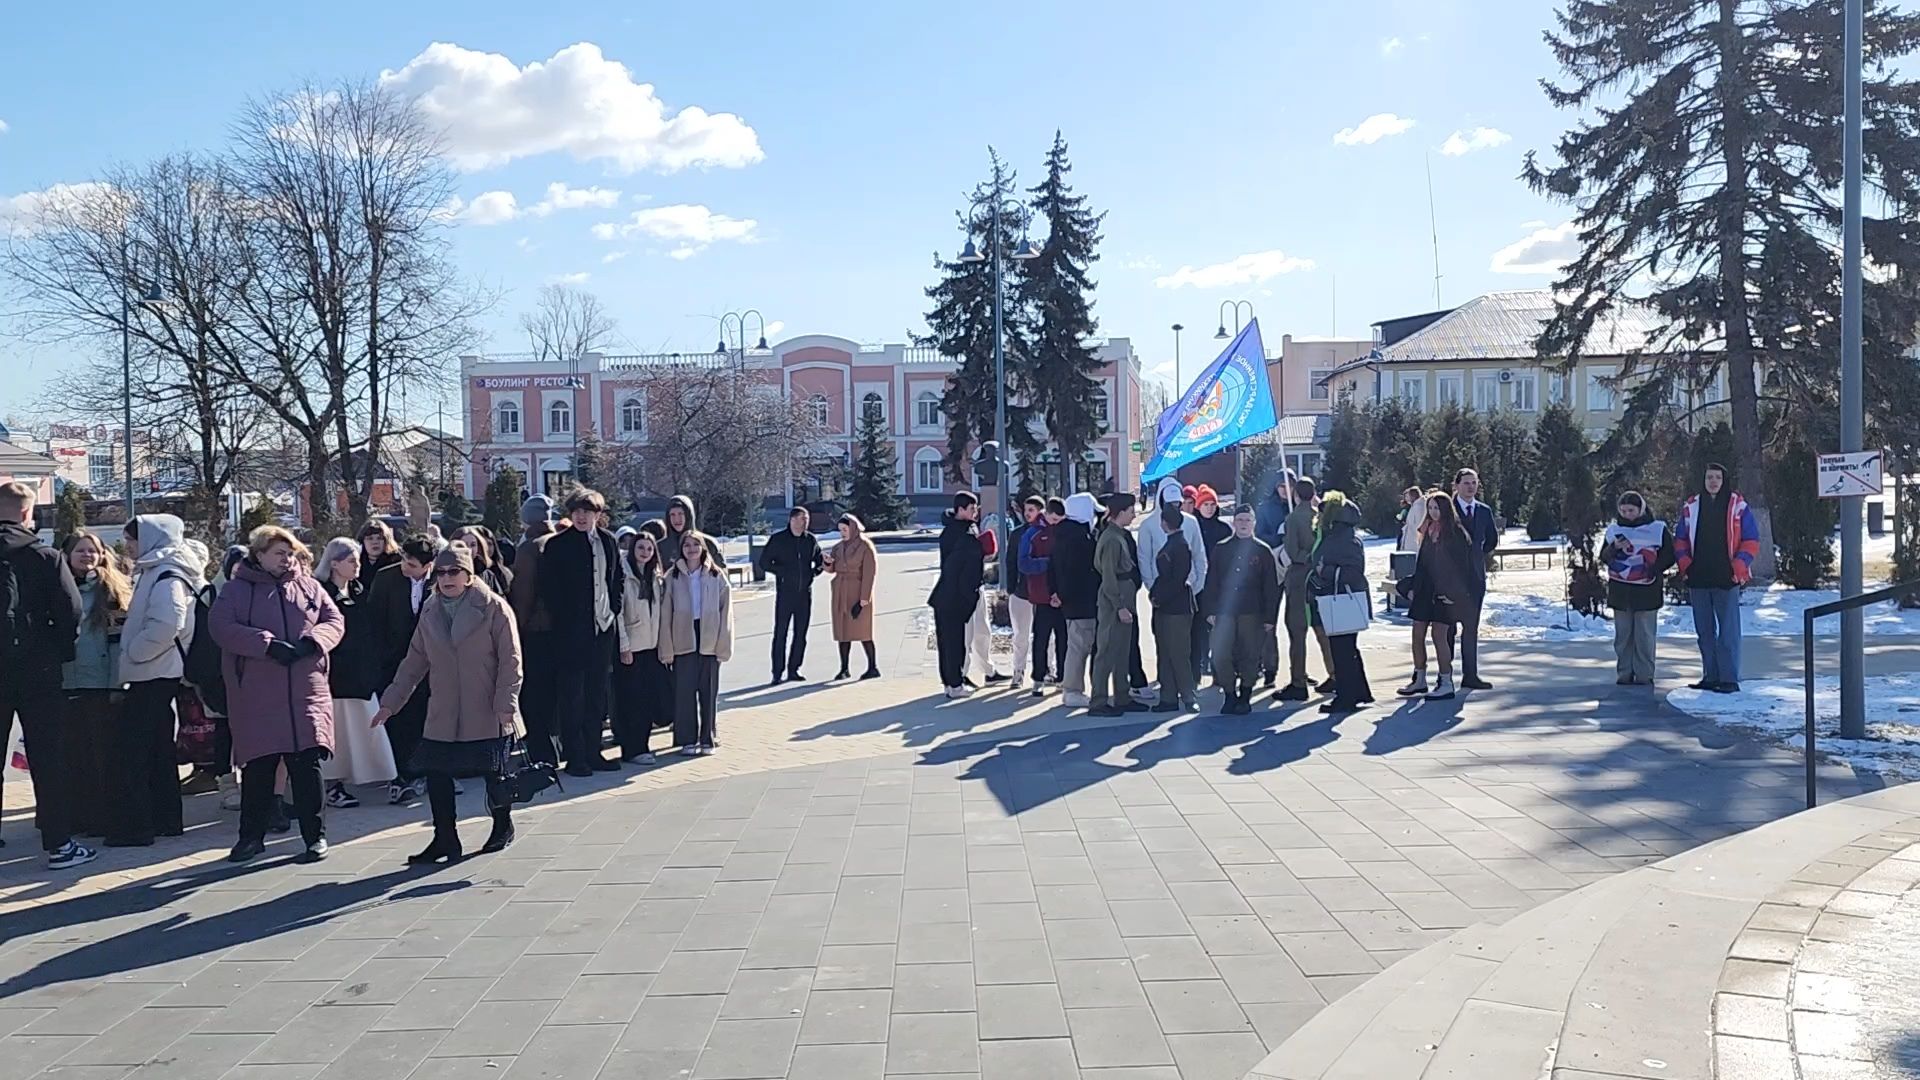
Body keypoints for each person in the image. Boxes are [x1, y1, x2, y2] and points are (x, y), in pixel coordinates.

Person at [373, 545, 523, 863]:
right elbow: (414, 661)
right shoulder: (430, 610)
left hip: (487, 705)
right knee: (437, 773)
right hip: (444, 708)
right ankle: (445, 838)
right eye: (440, 573)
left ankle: (502, 825)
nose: (446, 578)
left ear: (469, 575)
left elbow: (511, 660)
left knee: (493, 771)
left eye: (454, 572)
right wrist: (391, 702)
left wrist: (506, 701)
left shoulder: (494, 608)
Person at [210, 526, 343, 863]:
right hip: (258, 692)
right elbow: (221, 627)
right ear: (259, 555)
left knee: (307, 766)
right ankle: (251, 838)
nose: (286, 559)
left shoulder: (309, 585)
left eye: (290, 553)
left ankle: (315, 837)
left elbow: (334, 620)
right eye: (278, 553)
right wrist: (266, 645)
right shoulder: (237, 590)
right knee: (259, 768)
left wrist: (313, 642)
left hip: (305, 689)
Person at [0, 483, 92, 867]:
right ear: (27, 512)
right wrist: (56, 651)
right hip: (38, 667)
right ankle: (59, 844)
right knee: (47, 757)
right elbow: (71, 612)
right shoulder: (45, 556)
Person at [112, 514, 207, 848]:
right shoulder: (164, 569)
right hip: (159, 670)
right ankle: (167, 820)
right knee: (157, 749)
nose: (128, 547)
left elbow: (168, 623)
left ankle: (138, 826)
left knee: (137, 751)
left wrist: (136, 651)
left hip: (154, 670)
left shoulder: (166, 574)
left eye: (132, 540)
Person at [541, 489, 625, 776]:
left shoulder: (609, 542)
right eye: (576, 511)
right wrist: (565, 619)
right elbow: (548, 587)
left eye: (587, 511)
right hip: (570, 634)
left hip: (602, 630)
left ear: (598, 515)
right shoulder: (558, 545)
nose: (580, 516)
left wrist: (613, 609)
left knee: (596, 695)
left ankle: (594, 752)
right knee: (572, 697)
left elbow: (617, 579)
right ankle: (575, 757)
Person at [318, 538, 397, 807]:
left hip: (362, 676)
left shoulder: (360, 591)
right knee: (337, 732)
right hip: (336, 678)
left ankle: (373, 777)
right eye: (351, 560)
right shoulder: (322, 593)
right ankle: (333, 786)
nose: (357, 565)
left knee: (366, 728)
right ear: (334, 563)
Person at [59, 530, 128, 840]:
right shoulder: (57, 587)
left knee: (99, 754)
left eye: (94, 551)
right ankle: (74, 816)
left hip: (99, 684)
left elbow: (117, 643)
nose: (88, 556)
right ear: (67, 555)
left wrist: (116, 684)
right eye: (81, 551)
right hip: (65, 683)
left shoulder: (111, 591)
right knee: (71, 755)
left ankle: (100, 817)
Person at [369, 533, 444, 802]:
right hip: (395, 663)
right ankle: (402, 772)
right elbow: (375, 621)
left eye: (412, 564)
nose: (405, 567)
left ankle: (428, 769)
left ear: (428, 565)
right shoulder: (386, 578)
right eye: (404, 560)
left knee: (428, 717)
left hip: (433, 663)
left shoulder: (441, 579)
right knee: (399, 718)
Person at [1675, 464, 1759, 693]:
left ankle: (1729, 679)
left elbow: (1751, 540)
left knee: (1728, 631)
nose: (1713, 481)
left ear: (1725, 480)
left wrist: (1738, 566)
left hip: (1727, 577)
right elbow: (1680, 540)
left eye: (1717, 477)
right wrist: (1685, 565)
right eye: (1709, 477)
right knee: (1704, 631)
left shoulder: (1737, 505)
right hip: (1698, 577)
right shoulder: (1691, 506)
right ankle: (1710, 676)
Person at [1202, 505, 1282, 714]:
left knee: (1251, 654)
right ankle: (1229, 694)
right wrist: (1209, 610)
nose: (1244, 524)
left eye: (1248, 520)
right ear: (1234, 523)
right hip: (1224, 611)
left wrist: (1269, 617)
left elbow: (1270, 587)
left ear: (1254, 523)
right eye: (1240, 520)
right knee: (1220, 653)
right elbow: (1212, 581)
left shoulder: (1262, 551)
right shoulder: (1222, 548)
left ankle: (1245, 694)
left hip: (1252, 611)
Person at [660, 529, 733, 754]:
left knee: (708, 690)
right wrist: (667, 647)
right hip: (683, 635)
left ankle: (708, 737)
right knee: (684, 691)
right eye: (686, 545)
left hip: (709, 634)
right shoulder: (672, 576)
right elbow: (666, 613)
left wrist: (724, 643)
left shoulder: (715, 574)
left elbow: (726, 610)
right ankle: (687, 739)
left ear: (702, 548)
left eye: (695, 545)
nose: (691, 549)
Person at [1401, 492, 1475, 700]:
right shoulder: (1428, 530)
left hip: (1445, 593)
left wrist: (1454, 594)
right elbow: (1423, 564)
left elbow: (1461, 568)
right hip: (1425, 590)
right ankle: (1419, 678)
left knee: (1439, 636)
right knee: (1417, 634)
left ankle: (1446, 681)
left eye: (1437, 508)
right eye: (1430, 508)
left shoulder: (1456, 534)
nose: (1433, 512)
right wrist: (1414, 586)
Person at [1136, 478, 1210, 686]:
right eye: (1169, 504)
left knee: (1191, 639)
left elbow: (1199, 556)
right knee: (1164, 639)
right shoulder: (1148, 525)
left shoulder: (1191, 522)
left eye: (1177, 504)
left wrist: (1197, 585)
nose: (1174, 507)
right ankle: (1167, 680)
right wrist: (1153, 590)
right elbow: (1145, 559)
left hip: (1188, 593)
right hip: (1162, 594)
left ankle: (1191, 680)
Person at [1604, 491, 1677, 687]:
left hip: (1646, 591)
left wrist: (1654, 569)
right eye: (1624, 510)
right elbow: (1604, 557)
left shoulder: (1657, 529)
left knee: (1644, 635)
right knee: (1623, 636)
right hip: (1620, 591)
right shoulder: (1613, 530)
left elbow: (1670, 555)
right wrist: (1613, 548)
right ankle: (1624, 672)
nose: (1627, 514)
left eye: (1631, 510)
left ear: (1641, 509)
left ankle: (1645, 673)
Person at [508, 496, 560, 767]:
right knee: (554, 694)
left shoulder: (530, 548)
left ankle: (541, 753)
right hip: (561, 630)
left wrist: (516, 628)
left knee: (535, 694)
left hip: (536, 630)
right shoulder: (559, 541)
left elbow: (524, 594)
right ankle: (556, 747)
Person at [1311, 491, 1374, 714]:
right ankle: (1359, 691)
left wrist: (1325, 571)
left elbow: (1354, 572)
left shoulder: (1345, 538)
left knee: (1342, 650)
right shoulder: (1339, 534)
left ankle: (1346, 697)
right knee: (1347, 648)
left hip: (1342, 600)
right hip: (1338, 598)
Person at [614, 532, 667, 763]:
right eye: (641, 548)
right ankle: (633, 748)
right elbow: (619, 614)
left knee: (648, 699)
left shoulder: (655, 577)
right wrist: (624, 646)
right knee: (631, 701)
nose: (645, 552)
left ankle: (642, 745)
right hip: (631, 648)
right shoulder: (624, 576)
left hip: (651, 647)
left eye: (649, 548)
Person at [1089, 493, 1142, 717]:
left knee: (1122, 649)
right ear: (1120, 512)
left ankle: (1123, 695)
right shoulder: (1111, 539)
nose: (1134, 515)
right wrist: (1119, 606)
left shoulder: (1119, 534)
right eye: (1131, 511)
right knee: (1107, 649)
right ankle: (1098, 701)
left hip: (1124, 595)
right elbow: (1109, 576)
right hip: (1115, 598)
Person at [929, 493, 985, 698]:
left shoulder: (954, 530)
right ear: (960, 510)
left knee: (948, 642)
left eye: (976, 508)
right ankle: (955, 685)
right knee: (953, 643)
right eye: (972, 509)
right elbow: (963, 570)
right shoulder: (964, 535)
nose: (975, 512)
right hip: (953, 596)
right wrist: (969, 596)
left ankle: (950, 682)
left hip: (944, 595)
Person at [761, 506, 823, 684]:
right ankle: (777, 672)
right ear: (792, 520)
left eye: (807, 519)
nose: (805, 522)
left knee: (800, 633)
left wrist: (815, 572)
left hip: (804, 594)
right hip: (785, 593)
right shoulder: (779, 539)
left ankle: (794, 669)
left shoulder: (809, 540)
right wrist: (783, 572)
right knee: (780, 633)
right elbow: (764, 562)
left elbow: (818, 560)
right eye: (802, 519)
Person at [1148, 504, 1199, 713]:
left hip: (1177, 607)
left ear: (1164, 524)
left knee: (1178, 653)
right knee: (1165, 652)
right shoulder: (1175, 543)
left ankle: (1188, 696)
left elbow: (1178, 579)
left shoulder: (1180, 546)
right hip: (1165, 606)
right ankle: (1168, 697)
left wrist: (1159, 597)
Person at [1279, 477, 1326, 702]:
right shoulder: (1320, 516)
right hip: (1319, 577)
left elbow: (1291, 550)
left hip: (1299, 577)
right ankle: (1334, 673)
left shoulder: (1293, 518)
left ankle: (1298, 681)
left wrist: (1306, 560)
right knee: (1320, 627)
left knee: (1297, 631)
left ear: (1296, 495)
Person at [1453, 468, 1499, 690]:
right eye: (1466, 483)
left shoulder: (1483, 510)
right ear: (1457, 485)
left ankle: (1470, 675)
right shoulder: (1447, 509)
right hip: (1450, 578)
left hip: (1475, 577)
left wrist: (1477, 556)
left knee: (1470, 627)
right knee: (1448, 627)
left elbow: (1491, 540)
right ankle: (1445, 675)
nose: (1471, 487)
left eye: (1474, 483)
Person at [1052, 493, 1100, 707]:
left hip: (1069, 600)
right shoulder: (1080, 538)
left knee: (1075, 644)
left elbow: (1052, 568)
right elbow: (1078, 572)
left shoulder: (1061, 534)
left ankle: (1071, 688)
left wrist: (1056, 592)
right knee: (1079, 647)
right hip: (1081, 601)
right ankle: (1072, 690)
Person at [1018, 497, 1069, 696]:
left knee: (1063, 638)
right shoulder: (1033, 533)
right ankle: (1038, 678)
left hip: (1063, 595)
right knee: (1041, 638)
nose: (1056, 523)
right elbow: (1023, 563)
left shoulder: (1065, 532)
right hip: (1042, 595)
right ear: (1046, 514)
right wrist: (1048, 563)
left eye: (1059, 520)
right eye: (1053, 519)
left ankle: (1062, 677)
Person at [828, 513, 881, 680]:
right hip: (840, 591)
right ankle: (844, 668)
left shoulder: (865, 546)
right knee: (842, 631)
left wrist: (863, 600)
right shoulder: (838, 547)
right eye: (840, 530)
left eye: (845, 529)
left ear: (853, 528)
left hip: (857, 591)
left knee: (863, 631)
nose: (842, 533)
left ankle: (873, 667)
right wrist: (828, 562)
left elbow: (869, 574)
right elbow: (832, 569)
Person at [1190, 485, 1231, 680]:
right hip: (1198, 584)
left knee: (1219, 627)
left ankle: (1218, 668)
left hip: (1219, 584)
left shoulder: (1224, 529)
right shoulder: (1192, 526)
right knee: (1200, 626)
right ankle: (1200, 662)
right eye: (1205, 504)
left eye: (1212, 504)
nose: (1209, 508)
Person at [1006, 497, 1046, 689]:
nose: (1028, 513)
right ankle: (1018, 671)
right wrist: (1010, 588)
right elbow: (1010, 562)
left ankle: (1049, 670)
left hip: (1043, 592)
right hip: (1021, 592)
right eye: (1026, 509)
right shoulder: (1017, 534)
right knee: (1021, 635)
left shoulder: (1046, 533)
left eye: (1032, 509)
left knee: (1047, 635)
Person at [662, 495, 725, 566]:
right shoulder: (660, 548)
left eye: (680, 514)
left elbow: (721, 573)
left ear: (688, 515)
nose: (677, 519)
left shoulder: (708, 543)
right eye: (672, 515)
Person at [453, 525, 513, 597]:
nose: (469, 549)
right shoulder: (445, 572)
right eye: (463, 545)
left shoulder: (487, 574)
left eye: (473, 545)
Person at [358, 520, 400, 590]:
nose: (375, 542)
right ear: (363, 541)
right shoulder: (356, 562)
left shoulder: (396, 561)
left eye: (379, 538)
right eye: (370, 538)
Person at [1398, 486, 1429, 553]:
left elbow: (1418, 525)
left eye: (1407, 496)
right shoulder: (1415, 506)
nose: (1406, 499)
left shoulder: (1419, 507)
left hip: (1414, 542)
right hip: (1411, 540)